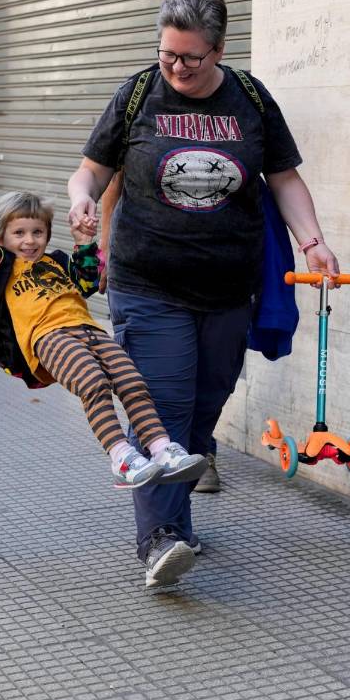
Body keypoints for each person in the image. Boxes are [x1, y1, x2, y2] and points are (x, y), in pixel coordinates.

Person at [67, 0, 339, 586]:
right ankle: (160, 537)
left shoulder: (250, 98)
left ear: (218, 49)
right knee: (162, 406)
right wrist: (82, 199)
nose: (177, 67)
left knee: (204, 407)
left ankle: (178, 519)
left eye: (190, 57)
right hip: (147, 283)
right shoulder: (138, 92)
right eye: (168, 54)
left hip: (229, 286)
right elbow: (91, 169)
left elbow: (285, 178)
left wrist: (314, 241)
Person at [0, 181, 208, 517]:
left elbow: (87, 283)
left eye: (38, 232)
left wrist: (85, 242)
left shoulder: (56, 262)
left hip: (89, 330)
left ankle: (162, 450)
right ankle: (122, 458)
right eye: (20, 233)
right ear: (0, 236)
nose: (30, 241)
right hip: (48, 338)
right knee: (93, 383)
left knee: (132, 381)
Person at [100, 173, 224, 495]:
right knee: (160, 392)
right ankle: (161, 528)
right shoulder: (135, 122)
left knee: (206, 387)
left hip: (218, 278)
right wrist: (105, 250)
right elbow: (111, 186)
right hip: (147, 283)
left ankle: (201, 450)